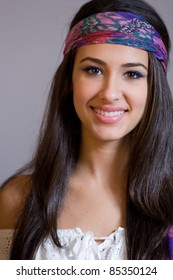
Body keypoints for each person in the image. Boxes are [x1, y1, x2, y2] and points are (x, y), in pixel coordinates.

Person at [0, 0, 173, 260]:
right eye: (93, 70)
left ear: (154, 89)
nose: (110, 93)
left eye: (133, 74)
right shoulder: (16, 200)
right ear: (70, 79)